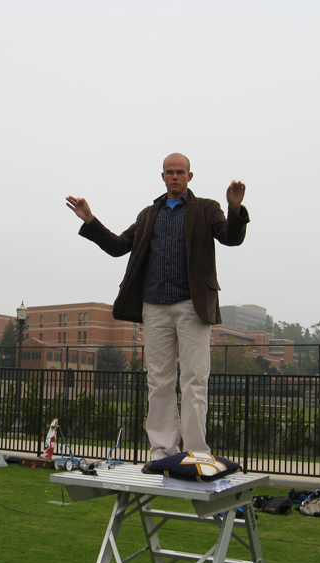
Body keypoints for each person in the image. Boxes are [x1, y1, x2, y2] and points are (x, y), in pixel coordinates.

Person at [66, 153, 248, 465]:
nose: (174, 177)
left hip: (193, 306)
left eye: (180, 172)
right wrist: (90, 220)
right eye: (169, 172)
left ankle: (196, 453)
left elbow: (232, 238)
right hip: (154, 307)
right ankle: (163, 451)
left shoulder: (207, 208)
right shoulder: (149, 214)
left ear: (190, 177)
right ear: (162, 176)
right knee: (159, 381)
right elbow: (118, 245)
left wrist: (234, 208)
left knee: (194, 380)